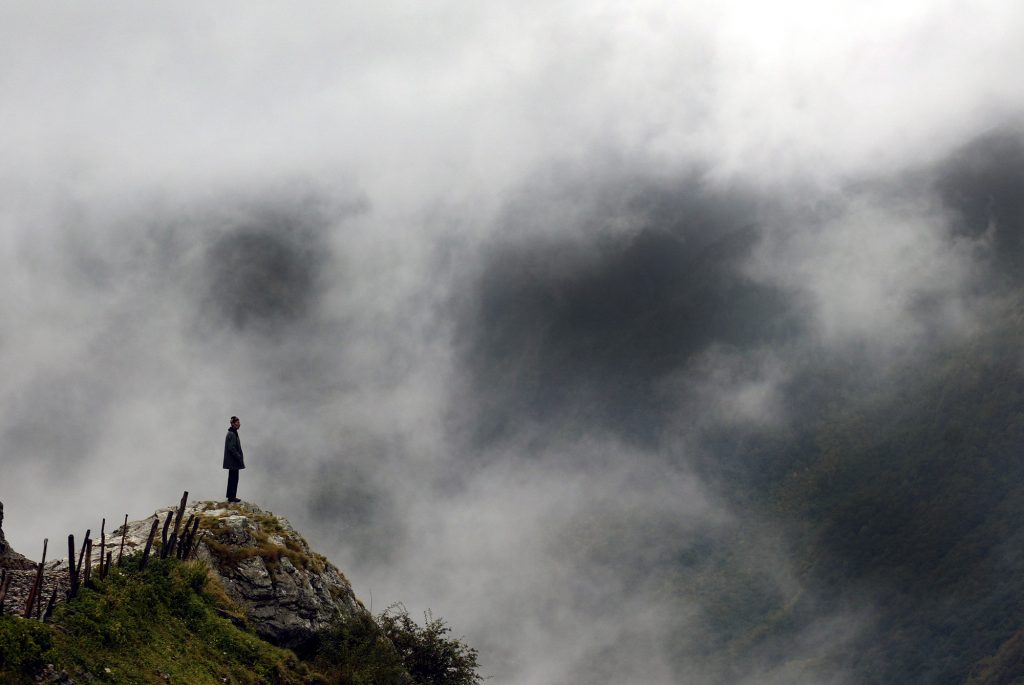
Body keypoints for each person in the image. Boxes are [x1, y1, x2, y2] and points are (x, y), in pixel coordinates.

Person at [224, 416, 245, 503]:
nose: (239, 424)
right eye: (237, 423)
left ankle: (231, 496)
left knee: (232, 478)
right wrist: (238, 456)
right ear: (233, 424)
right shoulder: (232, 434)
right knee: (234, 479)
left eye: (239, 423)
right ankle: (232, 497)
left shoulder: (232, 432)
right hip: (233, 462)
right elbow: (231, 448)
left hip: (232, 462)